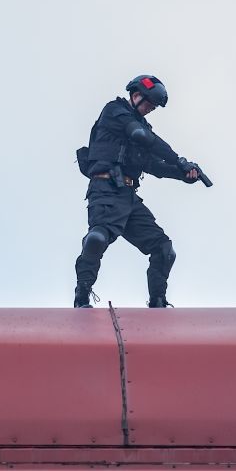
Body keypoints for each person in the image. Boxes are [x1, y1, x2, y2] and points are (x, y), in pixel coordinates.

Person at [73, 75, 206, 308]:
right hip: (105, 189)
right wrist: (179, 160)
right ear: (136, 96)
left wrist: (183, 174)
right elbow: (141, 136)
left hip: (128, 196)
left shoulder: (143, 128)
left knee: (164, 250)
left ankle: (158, 304)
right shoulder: (115, 111)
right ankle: (82, 296)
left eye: (153, 108)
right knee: (97, 238)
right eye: (149, 105)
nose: (150, 110)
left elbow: (154, 165)